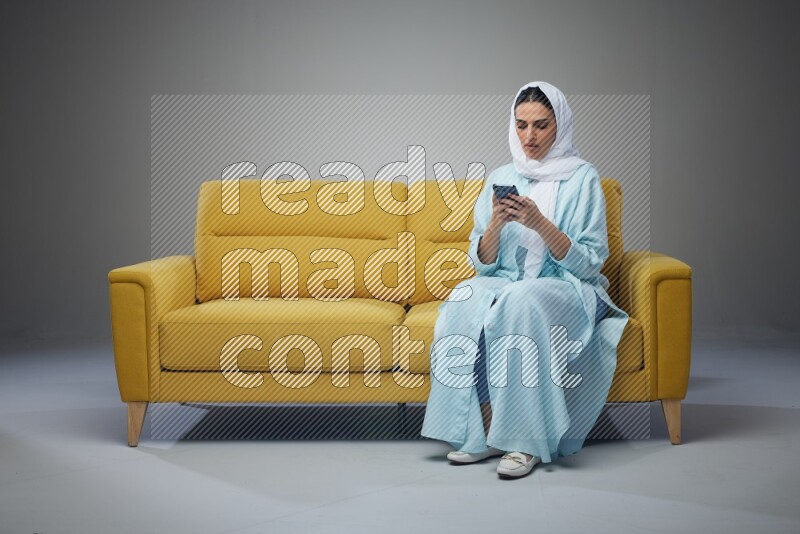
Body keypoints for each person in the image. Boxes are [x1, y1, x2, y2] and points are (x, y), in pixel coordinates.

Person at [420, 81, 630, 479]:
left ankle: (525, 441)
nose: (529, 136)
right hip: (508, 279)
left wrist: (539, 223)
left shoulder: (582, 178)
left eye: (541, 125)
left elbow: (590, 264)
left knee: (521, 301)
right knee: (464, 297)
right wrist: (496, 225)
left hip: (566, 286)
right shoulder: (502, 175)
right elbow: (483, 265)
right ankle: (481, 432)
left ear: (560, 125)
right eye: (521, 125)